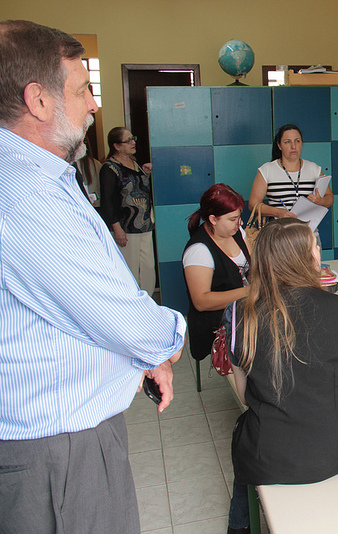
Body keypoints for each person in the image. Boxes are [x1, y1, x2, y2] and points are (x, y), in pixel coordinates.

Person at [0, 20, 185, 533]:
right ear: (37, 100)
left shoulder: (41, 176)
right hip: (57, 453)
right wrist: (164, 339)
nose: (94, 105)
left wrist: (144, 353)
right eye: (83, 89)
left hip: (60, 442)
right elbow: (115, 314)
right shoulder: (28, 197)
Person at [226, 218, 338, 534]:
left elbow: (245, 394)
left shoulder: (238, 312)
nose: (319, 252)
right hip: (329, 453)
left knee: (247, 441)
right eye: (316, 246)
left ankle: (239, 526)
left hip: (267, 456)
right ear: (308, 258)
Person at [183, 184, 251, 366]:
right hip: (218, 326)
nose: (240, 224)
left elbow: (255, 267)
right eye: (233, 219)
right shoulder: (198, 250)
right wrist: (250, 291)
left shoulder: (237, 233)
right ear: (213, 219)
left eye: (239, 218)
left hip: (244, 313)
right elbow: (201, 301)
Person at [99, 126, 156, 295]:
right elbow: (108, 201)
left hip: (144, 225)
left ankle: (148, 302)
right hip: (126, 227)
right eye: (128, 140)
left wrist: (145, 174)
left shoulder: (135, 163)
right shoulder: (109, 168)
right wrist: (117, 229)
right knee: (130, 268)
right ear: (116, 146)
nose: (133, 143)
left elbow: (138, 190)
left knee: (147, 268)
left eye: (133, 138)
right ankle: (133, 303)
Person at [248, 123, 333, 218]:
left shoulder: (314, 169)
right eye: (287, 142)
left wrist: (321, 201)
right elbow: (253, 205)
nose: (293, 146)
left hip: (307, 230)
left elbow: (330, 198)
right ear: (279, 145)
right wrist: (277, 212)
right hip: (279, 230)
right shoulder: (267, 170)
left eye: (297, 141)